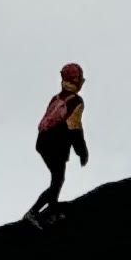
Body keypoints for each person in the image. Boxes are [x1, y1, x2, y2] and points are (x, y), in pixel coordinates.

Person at [29, 66, 89, 225]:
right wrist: (82, 152)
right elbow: (74, 127)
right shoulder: (76, 101)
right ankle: (34, 212)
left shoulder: (56, 97)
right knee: (57, 180)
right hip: (57, 145)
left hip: (42, 142)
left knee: (57, 178)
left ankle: (52, 210)